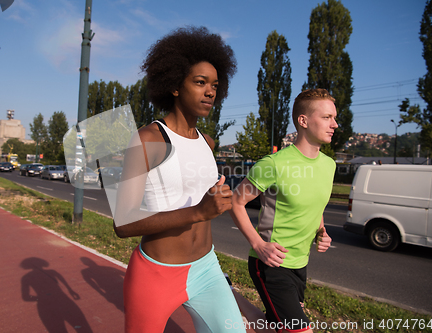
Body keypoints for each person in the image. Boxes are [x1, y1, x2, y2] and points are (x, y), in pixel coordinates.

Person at [113, 26, 246, 333]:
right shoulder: (147, 139)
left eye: (214, 85)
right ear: (174, 86)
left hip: (207, 269)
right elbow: (123, 223)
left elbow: (196, 192)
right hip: (156, 274)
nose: (210, 91)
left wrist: (217, 197)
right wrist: (199, 211)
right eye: (200, 82)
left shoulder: (208, 142)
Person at [229, 89, 337, 333]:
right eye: (327, 117)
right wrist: (258, 244)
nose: (335, 124)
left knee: (273, 327)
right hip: (271, 263)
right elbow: (236, 202)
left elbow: (316, 206)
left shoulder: (329, 166)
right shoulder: (273, 164)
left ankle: (229, 293)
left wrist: (322, 231)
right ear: (303, 121)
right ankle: (230, 293)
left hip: (301, 263)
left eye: (334, 117)